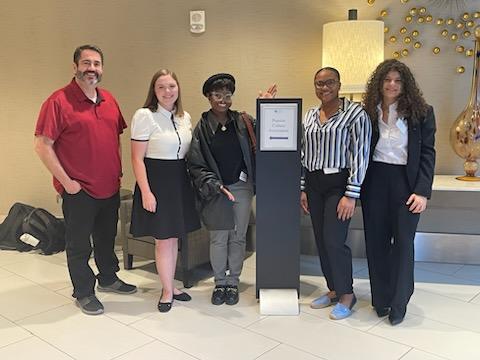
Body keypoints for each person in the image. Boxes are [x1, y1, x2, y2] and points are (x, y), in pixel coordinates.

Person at [34, 45, 137, 316]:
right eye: (86, 63)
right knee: (79, 244)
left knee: (105, 238)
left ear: (102, 68)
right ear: (75, 67)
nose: (92, 68)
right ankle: (83, 291)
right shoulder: (58, 102)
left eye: (97, 63)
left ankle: (108, 278)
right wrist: (67, 183)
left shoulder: (109, 100)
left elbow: (113, 139)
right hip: (78, 189)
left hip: (109, 186)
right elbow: (43, 145)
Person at [188, 73, 276, 306]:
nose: (223, 100)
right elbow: (196, 164)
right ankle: (219, 282)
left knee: (237, 237)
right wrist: (215, 185)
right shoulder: (203, 128)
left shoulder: (243, 121)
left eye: (227, 95)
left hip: (242, 187)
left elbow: (271, 131)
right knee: (218, 238)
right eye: (217, 95)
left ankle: (233, 282)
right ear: (208, 97)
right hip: (216, 190)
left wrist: (266, 106)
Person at [361, 59, 436, 326]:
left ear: (405, 85)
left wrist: (422, 191)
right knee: (376, 244)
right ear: (379, 83)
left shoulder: (422, 112)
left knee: (403, 244)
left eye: (398, 80)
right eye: (387, 79)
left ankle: (399, 302)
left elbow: (428, 153)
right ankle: (381, 298)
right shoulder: (367, 111)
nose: (392, 85)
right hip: (375, 181)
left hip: (406, 184)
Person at [300, 67, 371, 320]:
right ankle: (332, 289)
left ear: (339, 84)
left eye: (329, 82)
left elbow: (361, 154)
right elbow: (303, 153)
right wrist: (303, 188)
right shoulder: (309, 115)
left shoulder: (355, 114)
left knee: (334, 239)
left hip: (339, 184)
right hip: (314, 182)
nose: (324, 88)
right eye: (318, 83)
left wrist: (351, 194)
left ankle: (347, 294)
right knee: (320, 238)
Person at [130, 69, 201, 313]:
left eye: (171, 86)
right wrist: (146, 192)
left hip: (180, 181)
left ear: (178, 88)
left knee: (174, 239)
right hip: (157, 182)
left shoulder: (185, 117)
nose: (167, 91)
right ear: (154, 91)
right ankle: (167, 291)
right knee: (163, 241)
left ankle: (170, 285)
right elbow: (137, 159)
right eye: (161, 87)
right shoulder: (144, 116)